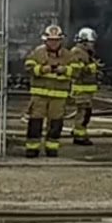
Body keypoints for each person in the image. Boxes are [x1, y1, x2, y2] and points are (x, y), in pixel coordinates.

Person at [22, 24, 74, 158]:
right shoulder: (37, 53)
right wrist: (41, 69)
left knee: (56, 124)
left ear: (61, 41)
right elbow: (28, 67)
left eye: (56, 40)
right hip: (39, 95)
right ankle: (32, 148)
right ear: (45, 40)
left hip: (59, 97)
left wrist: (65, 70)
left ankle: (52, 148)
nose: (53, 43)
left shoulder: (68, 55)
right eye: (51, 40)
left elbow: (77, 70)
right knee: (35, 123)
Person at [67, 27, 102, 146]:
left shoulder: (85, 53)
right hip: (80, 90)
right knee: (83, 114)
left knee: (86, 113)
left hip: (86, 90)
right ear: (84, 42)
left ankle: (78, 132)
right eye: (91, 42)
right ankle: (79, 136)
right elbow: (76, 71)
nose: (93, 45)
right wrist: (91, 68)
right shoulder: (77, 52)